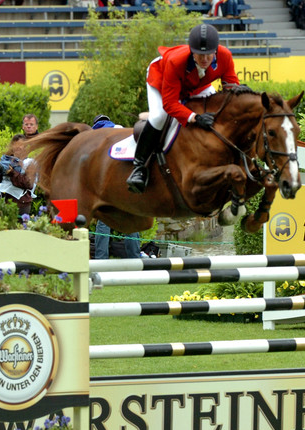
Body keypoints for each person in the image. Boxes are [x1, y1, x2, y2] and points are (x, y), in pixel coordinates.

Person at [126, 23, 241, 194]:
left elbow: (231, 88)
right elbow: (170, 103)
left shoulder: (225, 56)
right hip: (162, 79)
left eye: (208, 54)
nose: (204, 60)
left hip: (197, 85)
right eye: (199, 54)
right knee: (159, 116)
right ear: (191, 51)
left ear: (216, 50)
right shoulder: (176, 61)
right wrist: (194, 117)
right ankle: (139, 167)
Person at [91, 114, 141, 259]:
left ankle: (101, 259)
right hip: (127, 183)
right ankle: (135, 258)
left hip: (107, 186)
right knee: (131, 221)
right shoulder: (125, 134)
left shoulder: (95, 137)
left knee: (104, 223)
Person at [0, 134, 37, 216]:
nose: (18, 147)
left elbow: (28, 183)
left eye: (21, 145)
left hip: (21, 203)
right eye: (16, 144)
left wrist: (12, 173)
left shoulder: (29, 163)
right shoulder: (5, 160)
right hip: (5, 201)